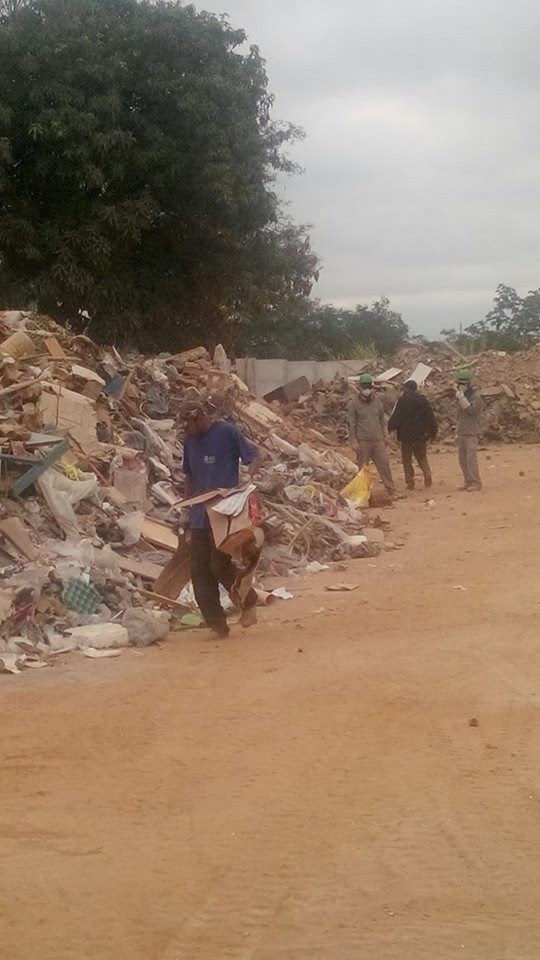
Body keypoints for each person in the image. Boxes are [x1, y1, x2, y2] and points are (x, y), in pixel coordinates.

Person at [181, 400, 262, 637]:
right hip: (199, 515)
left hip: (224, 514)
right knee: (199, 571)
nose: (187, 432)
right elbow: (189, 476)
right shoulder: (189, 441)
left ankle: (249, 601)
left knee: (219, 565)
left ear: (199, 418)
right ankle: (217, 625)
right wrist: (186, 509)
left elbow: (254, 455)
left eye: (189, 425)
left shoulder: (226, 432)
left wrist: (250, 476)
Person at [347, 373, 395, 496]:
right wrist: (353, 441)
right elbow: (351, 424)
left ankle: (391, 489)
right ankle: (363, 493)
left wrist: (386, 435)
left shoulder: (377, 402)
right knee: (363, 468)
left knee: (384, 464)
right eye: (364, 386)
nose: (367, 389)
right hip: (363, 441)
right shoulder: (354, 404)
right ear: (360, 387)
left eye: (368, 386)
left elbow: (382, 420)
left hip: (378, 439)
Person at [388, 380, 438, 490]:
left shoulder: (402, 401)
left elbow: (396, 418)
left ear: (406, 388)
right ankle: (427, 474)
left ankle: (410, 483)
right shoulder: (423, 400)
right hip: (421, 436)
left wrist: (390, 428)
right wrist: (433, 432)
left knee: (407, 460)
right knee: (422, 457)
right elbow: (430, 417)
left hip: (406, 437)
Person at [455, 368, 483, 491]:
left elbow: (471, 411)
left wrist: (462, 399)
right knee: (462, 459)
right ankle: (468, 481)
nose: (461, 386)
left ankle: (476, 482)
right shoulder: (460, 397)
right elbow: (459, 416)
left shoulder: (476, 397)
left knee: (471, 458)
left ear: (469, 384)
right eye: (460, 383)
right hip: (461, 430)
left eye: (463, 384)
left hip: (472, 431)